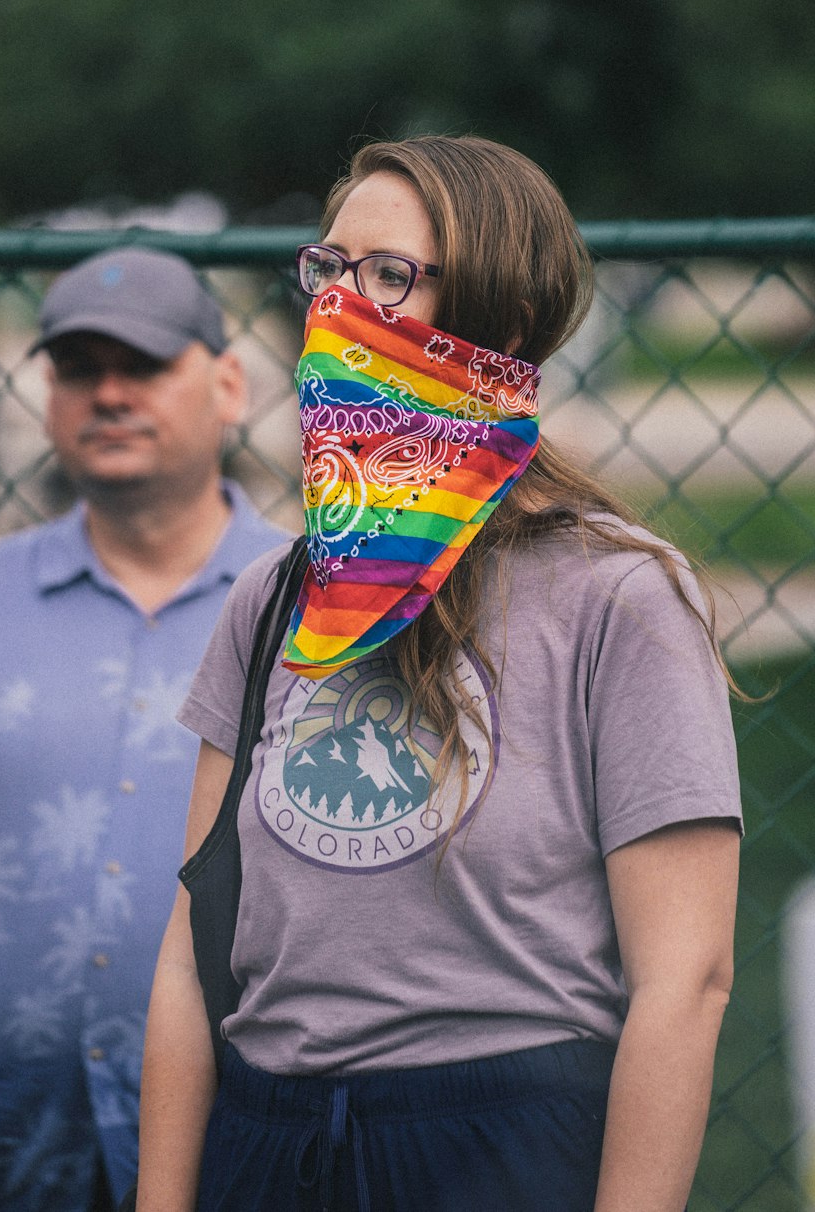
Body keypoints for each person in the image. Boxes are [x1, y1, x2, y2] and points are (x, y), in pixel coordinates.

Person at [134, 136, 742, 1212]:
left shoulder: (620, 597)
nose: (338, 311)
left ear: (501, 325)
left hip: (499, 1149)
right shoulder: (272, 600)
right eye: (327, 269)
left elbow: (683, 983)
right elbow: (189, 959)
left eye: (388, 277)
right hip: (269, 1147)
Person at [0, 248, 285, 1212]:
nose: (109, 392)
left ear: (229, 385)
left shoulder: (315, 609)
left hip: (251, 1159)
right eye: (78, 367)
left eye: (145, 364)